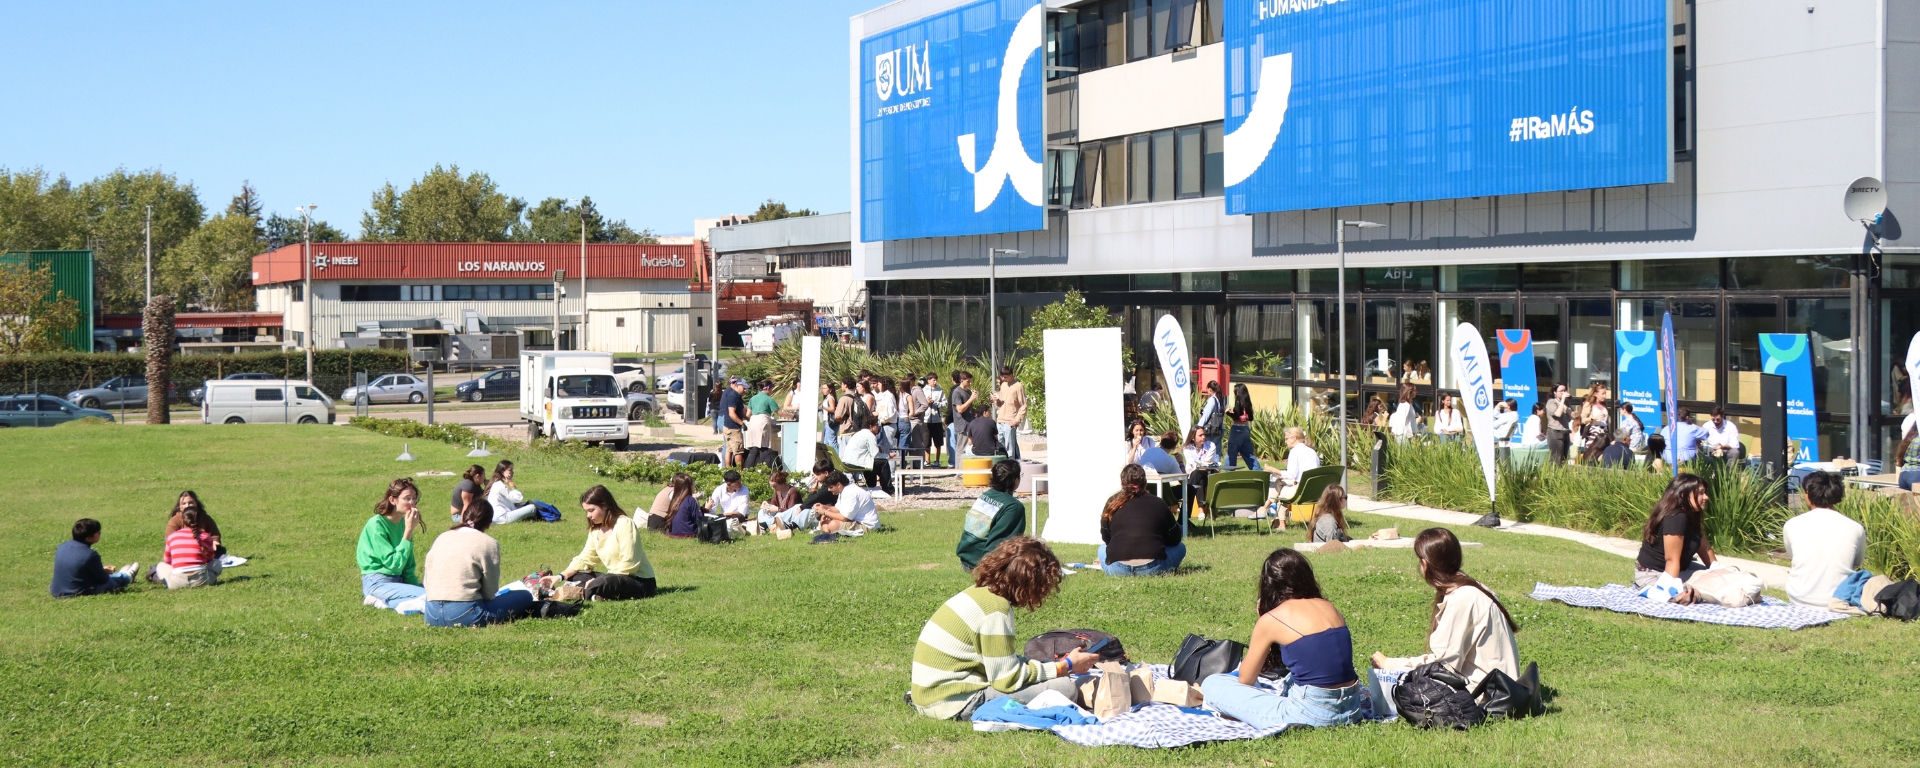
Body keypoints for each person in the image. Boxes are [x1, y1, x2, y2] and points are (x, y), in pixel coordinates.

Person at [910, 537, 1100, 719]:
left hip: (930, 696)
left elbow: (1002, 662)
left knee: (1054, 681)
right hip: (952, 702)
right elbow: (1006, 679)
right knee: (1065, 689)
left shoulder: (979, 594)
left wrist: (1053, 667)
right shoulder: (995, 610)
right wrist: (1064, 667)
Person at [1201, 548, 1365, 730]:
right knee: (1289, 679)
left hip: (1309, 714)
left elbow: (1246, 680)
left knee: (1213, 683)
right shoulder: (1329, 607)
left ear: (1269, 585)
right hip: (1352, 708)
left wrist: (1262, 619)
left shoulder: (1273, 618)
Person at [1370, 528, 1520, 689]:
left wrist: (1390, 665)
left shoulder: (1463, 598)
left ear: (1425, 564)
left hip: (1486, 694)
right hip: (1500, 688)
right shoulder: (1473, 588)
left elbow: (1443, 668)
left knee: (1399, 693)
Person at [422, 494, 536, 627]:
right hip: (466, 613)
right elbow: (490, 592)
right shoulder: (488, 543)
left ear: (464, 516)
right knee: (525, 596)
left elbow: (427, 579)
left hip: (431, 613)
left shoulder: (442, 537)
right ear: (488, 523)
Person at [543, 485, 658, 601]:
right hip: (612, 576)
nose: (588, 515)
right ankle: (595, 594)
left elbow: (629, 563)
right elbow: (585, 558)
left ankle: (582, 593)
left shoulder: (625, 524)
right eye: (586, 511)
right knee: (576, 576)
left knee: (606, 581)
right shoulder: (595, 530)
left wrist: (599, 580)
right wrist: (560, 576)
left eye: (591, 510)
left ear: (605, 506)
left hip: (639, 581)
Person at [1782, 471, 1866, 609]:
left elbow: (1793, 556)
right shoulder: (1855, 528)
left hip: (1799, 597)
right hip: (1839, 598)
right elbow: (1857, 562)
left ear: (1807, 493)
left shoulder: (1791, 525)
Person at [1634, 473, 1718, 602]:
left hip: (1681, 568)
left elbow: (1705, 549)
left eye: (1705, 493)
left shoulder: (1692, 515)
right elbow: (1671, 560)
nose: (1706, 497)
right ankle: (1656, 592)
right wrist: (1671, 590)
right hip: (1654, 575)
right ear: (1683, 495)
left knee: (1719, 580)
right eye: (1701, 493)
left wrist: (1719, 572)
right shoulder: (1676, 518)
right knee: (1709, 588)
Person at [1097, 464, 1186, 575]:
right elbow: (1175, 538)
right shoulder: (1158, 503)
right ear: (1145, 482)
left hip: (1118, 568)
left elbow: (1106, 537)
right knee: (1181, 548)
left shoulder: (1112, 503)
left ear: (1122, 483)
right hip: (1153, 567)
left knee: (1102, 549)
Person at [358, 478, 426, 609]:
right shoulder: (376, 525)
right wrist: (409, 530)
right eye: (407, 498)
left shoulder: (403, 524)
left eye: (414, 498)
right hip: (378, 581)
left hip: (398, 580)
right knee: (427, 597)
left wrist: (415, 586)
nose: (412, 503)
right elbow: (394, 565)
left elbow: (407, 564)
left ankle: (383, 601)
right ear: (392, 500)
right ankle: (379, 600)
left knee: (435, 595)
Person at [958, 460, 1026, 571]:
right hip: (985, 566)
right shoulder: (1013, 506)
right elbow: (1001, 543)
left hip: (966, 560)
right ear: (1016, 480)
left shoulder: (986, 495)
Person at [52, 518, 136, 597]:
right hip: (79, 591)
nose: (100, 533)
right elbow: (103, 580)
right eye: (98, 532)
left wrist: (100, 570)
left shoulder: (62, 546)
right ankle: (127, 577)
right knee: (111, 581)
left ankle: (122, 574)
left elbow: (75, 568)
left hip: (56, 591)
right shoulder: (90, 555)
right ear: (88, 538)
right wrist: (101, 572)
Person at [157, 498, 222, 589]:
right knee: (217, 563)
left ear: (183, 520)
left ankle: (167, 580)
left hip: (176, 583)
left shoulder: (172, 537)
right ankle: (210, 579)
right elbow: (210, 559)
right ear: (200, 520)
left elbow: (167, 560)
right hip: (202, 581)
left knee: (160, 566)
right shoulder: (206, 537)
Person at [841, 415, 895, 492]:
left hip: (849, 461)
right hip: (857, 462)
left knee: (872, 462)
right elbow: (876, 455)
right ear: (871, 426)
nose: (878, 427)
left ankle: (871, 485)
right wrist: (888, 456)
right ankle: (888, 489)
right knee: (883, 463)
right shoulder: (870, 435)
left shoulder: (859, 433)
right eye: (876, 425)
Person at [814, 471, 878, 534]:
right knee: (824, 517)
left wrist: (825, 512)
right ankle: (826, 534)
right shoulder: (844, 490)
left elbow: (844, 518)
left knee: (832, 524)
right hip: (855, 520)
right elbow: (837, 509)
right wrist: (824, 507)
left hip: (867, 526)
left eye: (831, 487)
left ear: (838, 485)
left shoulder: (851, 493)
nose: (829, 490)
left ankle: (826, 534)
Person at [1268, 426, 1321, 501]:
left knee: (1276, 484)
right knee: (1279, 482)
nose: (1285, 442)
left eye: (1286, 439)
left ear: (1294, 438)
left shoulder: (1295, 451)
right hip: (1315, 491)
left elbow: (1291, 475)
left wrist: (1273, 470)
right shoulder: (1312, 452)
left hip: (1300, 491)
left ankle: (1267, 506)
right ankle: (1267, 506)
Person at [165, 491, 224, 556]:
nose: (187, 506)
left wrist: (215, 542)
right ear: (180, 506)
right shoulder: (175, 520)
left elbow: (214, 535)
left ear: (196, 503)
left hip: (202, 550)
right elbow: (170, 539)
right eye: (184, 503)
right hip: (182, 550)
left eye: (190, 503)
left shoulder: (205, 518)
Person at [483, 460, 540, 524]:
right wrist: (511, 482)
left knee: (525, 505)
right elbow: (517, 498)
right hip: (503, 517)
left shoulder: (496, 484)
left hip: (497, 516)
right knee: (532, 508)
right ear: (502, 471)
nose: (513, 472)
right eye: (510, 470)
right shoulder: (500, 486)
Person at [1222, 382, 1261, 470]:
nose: (1234, 393)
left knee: (1231, 452)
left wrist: (1228, 412)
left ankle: (1229, 472)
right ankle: (1258, 471)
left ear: (1238, 392)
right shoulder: (1247, 401)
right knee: (1248, 454)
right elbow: (1250, 417)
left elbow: (1236, 416)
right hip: (1246, 429)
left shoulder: (1238, 400)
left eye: (1234, 391)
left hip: (1237, 429)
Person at [1183, 426, 1220, 516]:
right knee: (1200, 479)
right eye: (1200, 435)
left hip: (1208, 474)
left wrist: (1199, 466)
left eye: (1204, 434)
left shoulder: (1211, 445)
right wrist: (1199, 466)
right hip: (1194, 476)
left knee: (1198, 474)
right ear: (1193, 437)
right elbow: (1194, 465)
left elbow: (1206, 465)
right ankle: (1201, 511)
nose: (1204, 437)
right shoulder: (1187, 448)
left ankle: (1187, 511)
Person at [993, 366, 1027, 460]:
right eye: (1002, 377)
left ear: (1011, 375)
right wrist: (996, 400)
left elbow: (1023, 405)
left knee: (1010, 449)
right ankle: (1002, 466)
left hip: (1010, 421)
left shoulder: (1018, 386)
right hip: (1000, 420)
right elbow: (1001, 404)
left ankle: (1012, 466)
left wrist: (1016, 420)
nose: (1003, 379)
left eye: (1005, 377)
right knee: (1000, 448)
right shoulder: (1003, 385)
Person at [720, 378, 749, 467]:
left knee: (729, 450)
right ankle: (740, 472)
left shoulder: (738, 397)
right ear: (737, 386)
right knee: (738, 451)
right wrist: (741, 423)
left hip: (728, 427)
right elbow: (732, 413)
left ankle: (728, 469)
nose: (745, 390)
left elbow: (741, 412)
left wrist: (747, 418)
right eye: (744, 388)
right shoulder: (733, 396)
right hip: (733, 428)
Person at [949, 370, 977, 459]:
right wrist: (971, 399)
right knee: (961, 449)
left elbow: (969, 407)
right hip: (962, 425)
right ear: (961, 380)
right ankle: (959, 467)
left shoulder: (968, 391)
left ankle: (965, 467)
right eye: (968, 381)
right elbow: (960, 409)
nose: (970, 383)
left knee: (968, 448)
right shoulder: (957, 392)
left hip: (970, 423)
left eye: (971, 381)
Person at [664, 473, 701, 539]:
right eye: (693, 483)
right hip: (688, 533)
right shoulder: (691, 500)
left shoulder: (674, 499)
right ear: (689, 486)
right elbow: (698, 520)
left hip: (673, 532)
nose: (694, 485)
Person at [923, 373, 948, 468]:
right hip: (926, 419)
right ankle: (927, 460)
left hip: (937, 420)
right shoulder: (923, 390)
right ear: (928, 380)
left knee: (938, 442)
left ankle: (937, 461)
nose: (935, 382)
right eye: (933, 380)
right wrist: (926, 402)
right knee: (926, 442)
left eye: (936, 380)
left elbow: (945, 403)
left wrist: (935, 403)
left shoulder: (939, 390)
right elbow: (920, 403)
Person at [1544, 383, 1572, 465]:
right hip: (1555, 432)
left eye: (1565, 390)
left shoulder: (1566, 403)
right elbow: (1558, 414)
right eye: (1561, 391)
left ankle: (1562, 472)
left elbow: (1573, 415)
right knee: (1556, 458)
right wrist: (1562, 401)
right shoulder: (1551, 402)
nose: (1563, 392)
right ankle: (1553, 472)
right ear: (1555, 392)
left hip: (1565, 432)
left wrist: (1567, 408)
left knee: (1564, 458)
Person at [1198, 380, 1226, 448]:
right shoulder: (1220, 399)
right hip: (1219, 428)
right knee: (1216, 451)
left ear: (1210, 389)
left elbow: (1206, 415)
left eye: (1207, 389)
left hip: (1211, 429)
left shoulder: (1212, 400)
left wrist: (1199, 426)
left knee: (1208, 449)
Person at [1492, 398, 1518, 462]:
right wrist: (1498, 406)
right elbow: (1496, 415)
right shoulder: (1514, 414)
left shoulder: (1509, 415)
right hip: (1502, 437)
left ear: (1508, 406)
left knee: (1476, 440)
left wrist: (1498, 406)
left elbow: (1494, 425)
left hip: (1498, 437)